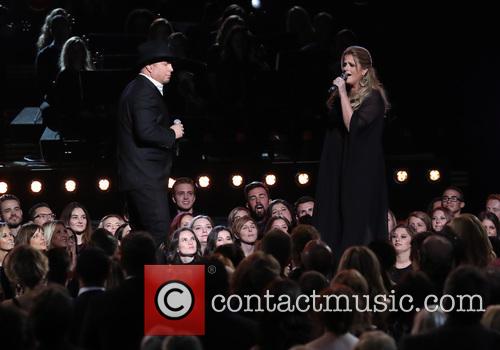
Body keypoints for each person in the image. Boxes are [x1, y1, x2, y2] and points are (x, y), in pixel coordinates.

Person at [314, 46, 389, 253]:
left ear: (364, 70)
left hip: (361, 172)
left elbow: (352, 125)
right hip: (338, 167)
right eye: (344, 64)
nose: (345, 69)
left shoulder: (374, 98)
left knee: (356, 222)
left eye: (351, 65)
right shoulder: (341, 97)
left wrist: (341, 93)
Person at [117, 40, 184, 246]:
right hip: (145, 180)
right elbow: (145, 131)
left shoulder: (137, 88)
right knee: (158, 235)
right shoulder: (143, 90)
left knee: (144, 239)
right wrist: (172, 133)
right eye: (166, 63)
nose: (171, 68)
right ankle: (157, 279)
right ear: (149, 66)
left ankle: (141, 277)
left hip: (139, 178)